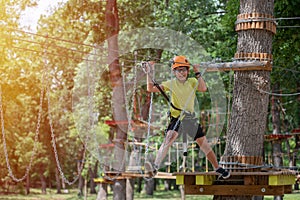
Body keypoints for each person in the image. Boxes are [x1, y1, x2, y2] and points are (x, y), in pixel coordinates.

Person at [144, 55, 230, 179]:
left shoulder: (192, 81)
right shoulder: (171, 83)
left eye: (184, 70)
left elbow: (203, 88)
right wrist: (149, 73)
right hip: (177, 117)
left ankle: (217, 167)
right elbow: (150, 88)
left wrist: (197, 71)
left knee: (204, 144)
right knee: (169, 138)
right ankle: (155, 166)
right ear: (174, 72)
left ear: (187, 71)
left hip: (189, 118)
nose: (182, 73)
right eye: (179, 70)